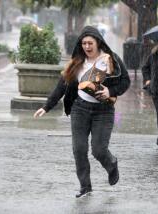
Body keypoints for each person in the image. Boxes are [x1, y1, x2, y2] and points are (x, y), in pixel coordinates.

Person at [33, 26, 130, 197]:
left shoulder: (111, 59)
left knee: (98, 150)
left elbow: (125, 82)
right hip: (80, 109)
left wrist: (111, 91)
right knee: (79, 149)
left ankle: (111, 164)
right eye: (83, 43)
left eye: (90, 43)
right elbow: (61, 86)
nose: (86, 46)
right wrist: (46, 106)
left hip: (104, 111)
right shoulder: (77, 62)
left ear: (98, 42)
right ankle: (85, 186)